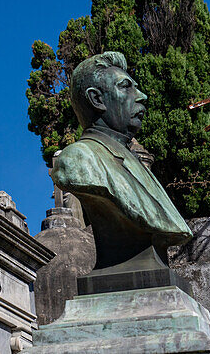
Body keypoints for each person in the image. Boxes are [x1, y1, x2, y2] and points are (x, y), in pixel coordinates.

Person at [52, 51, 191, 272]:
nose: (142, 95)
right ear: (97, 99)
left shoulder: (133, 162)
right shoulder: (79, 159)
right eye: (126, 87)